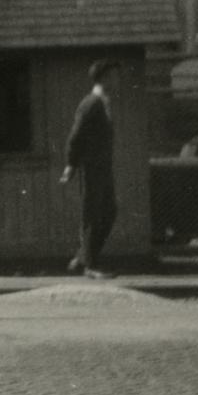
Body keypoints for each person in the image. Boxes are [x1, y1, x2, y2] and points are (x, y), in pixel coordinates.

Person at [60, 61, 120, 275]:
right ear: (104, 78)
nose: (117, 80)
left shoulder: (103, 102)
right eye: (114, 75)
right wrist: (71, 164)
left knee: (109, 211)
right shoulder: (91, 103)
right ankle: (90, 266)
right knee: (93, 214)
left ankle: (81, 258)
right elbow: (76, 135)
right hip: (92, 167)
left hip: (103, 167)